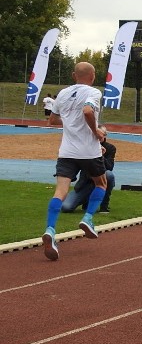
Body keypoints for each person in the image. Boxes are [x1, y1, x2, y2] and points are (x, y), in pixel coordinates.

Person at [42, 62, 108, 260]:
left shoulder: (62, 93)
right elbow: (88, 111)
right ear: (93, 76)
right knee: (101, 183)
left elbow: (52, 121)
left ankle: (50, 230)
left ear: (73, 75)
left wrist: (71, 123)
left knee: (60, 192)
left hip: (67, 151)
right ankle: (88, 218)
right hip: (89, 151)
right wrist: (96, 130)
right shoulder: (94, 92)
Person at [62, 136, 116, 213]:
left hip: (102, 180)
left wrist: (100, 155)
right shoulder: (84, 148)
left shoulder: (110, 148)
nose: (99, 137)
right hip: (86, 183)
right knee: (66, 207)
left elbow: (109, 167)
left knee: (109, 175)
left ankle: (104, 207)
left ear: (104, 136)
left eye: (102, 134)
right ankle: (86, 201)